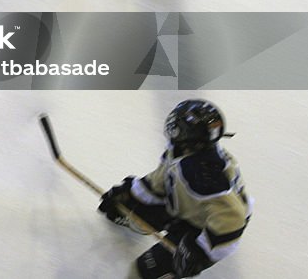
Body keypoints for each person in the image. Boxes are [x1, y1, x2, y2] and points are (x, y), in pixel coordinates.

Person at [99, 100, 251, 278]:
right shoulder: (184, 151)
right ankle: (152, 220)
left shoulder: (202, 174)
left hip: (204, 229)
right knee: (134, 210)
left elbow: (232, 219)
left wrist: (200, 251)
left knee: (141, 271)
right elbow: (163, 178)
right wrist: (130, 195)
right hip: (189, 206)